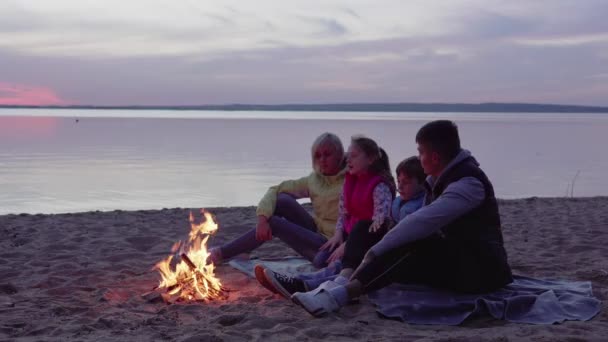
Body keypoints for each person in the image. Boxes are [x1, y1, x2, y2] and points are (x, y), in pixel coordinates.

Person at [291, 120, 514, 317]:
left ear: (435, 157)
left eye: (421, 152)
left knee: (412, 244)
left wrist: (376, 251)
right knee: (364, 227)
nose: (419, 158)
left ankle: (340, 295)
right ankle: (340, 280)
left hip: (482, 270)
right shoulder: (440, 178)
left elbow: (424, 222)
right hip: (457, 258)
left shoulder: (468, 184)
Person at [258, 136, 397, 298]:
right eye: (348, 155)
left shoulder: (379, 187)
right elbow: (343, 214)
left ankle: (304, 284)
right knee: (329, 261)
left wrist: (347, 245)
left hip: (367, 242)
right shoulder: (350, 181)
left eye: (354, 156)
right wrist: (338, 234)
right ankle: (299, 282)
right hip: (349, 237)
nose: (348, 159)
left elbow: (377, 225)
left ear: (371, 159)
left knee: (333, 263)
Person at [208, 132, 346, 268]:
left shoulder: (351, 179)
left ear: (339, 154)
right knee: (282, 200)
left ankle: (222, 253)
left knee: (275, 224)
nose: (322, 159)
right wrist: (262, 219)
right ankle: (243, 249)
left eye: (327, 154)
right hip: (316, 233)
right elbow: (275, 189)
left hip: (335, 241)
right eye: (318, 155)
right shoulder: (314, 180)